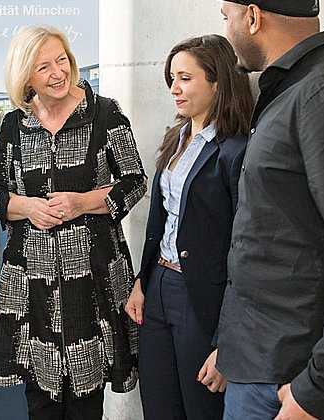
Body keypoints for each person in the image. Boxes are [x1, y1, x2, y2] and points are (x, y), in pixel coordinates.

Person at [0, 24, 146, 419]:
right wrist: (27, 207)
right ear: (25, 76)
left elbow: (135, 181)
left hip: (91, 279)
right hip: (30, 284)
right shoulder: (13, 124)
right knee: (39, 400)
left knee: (86, 399)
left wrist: (83, 202)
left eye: (62, 60)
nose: (57, 73)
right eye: (43, 67)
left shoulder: (105, 113)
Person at [218, 1, 324, 419]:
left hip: (291, 383)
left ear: (253, 17)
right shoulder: (290, 91)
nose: (228, 30)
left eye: (227, 17)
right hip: (260, 368)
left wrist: (317, 390)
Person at [124, 34, 254, 419]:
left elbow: (244, 250)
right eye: (171, 78)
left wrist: (226, 343)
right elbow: (160, 219)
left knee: (201, 409)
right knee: (159, 407)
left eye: (185, 78)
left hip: (203, 299)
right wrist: (142, 281)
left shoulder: (237, 149)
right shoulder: (175, 137)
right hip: (160, 287)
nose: (174, 89)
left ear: (217, 83)